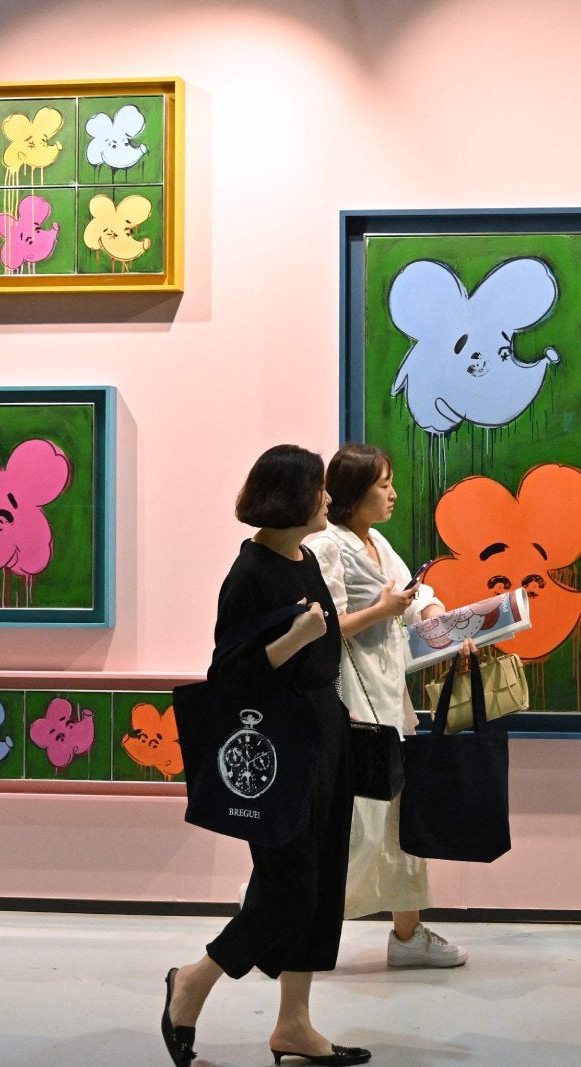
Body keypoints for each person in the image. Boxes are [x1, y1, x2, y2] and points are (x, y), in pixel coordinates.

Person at [161, 444, 370, 1067]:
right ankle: (192, 982)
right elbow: (231, 676)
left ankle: (294, 1026)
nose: (328, 498)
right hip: (277, 746)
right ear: (291, 498)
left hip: (321, 732)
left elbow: (324, 649)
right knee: (290, 889)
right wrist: (294, 639)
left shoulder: (304, 558)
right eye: (319, 490)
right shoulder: (250, 573)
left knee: (322, 882)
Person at [309, 443, 468, 969]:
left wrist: (440, 617)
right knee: (360, 823)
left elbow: (415, 595)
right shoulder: (327, 547)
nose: (393, 493)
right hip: (352, 702)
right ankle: (281, 917)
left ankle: (408, 934)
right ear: (354, 493)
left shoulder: (375, 540)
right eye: (383, 484)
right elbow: (324, 628)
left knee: (399, 818)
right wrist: (382, 610)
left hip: (390, 698)